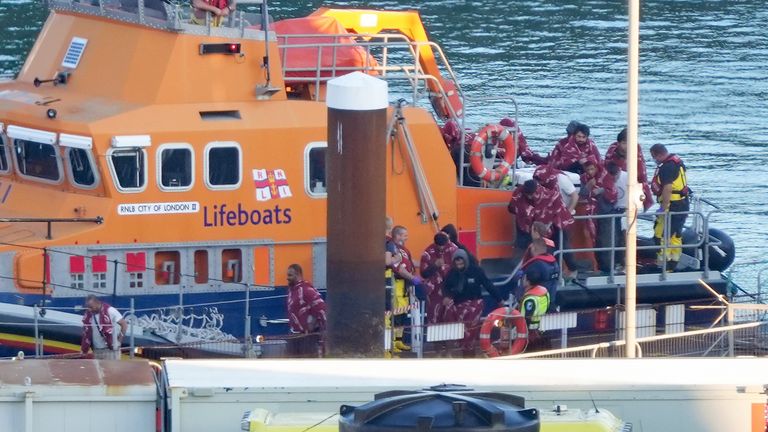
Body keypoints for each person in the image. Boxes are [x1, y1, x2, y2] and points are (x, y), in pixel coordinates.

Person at [442, 249, 503, 357]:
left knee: (470, 318)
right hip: (458, 303)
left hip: (475, 303)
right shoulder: (451, 273)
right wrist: (446, 297)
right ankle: (452, 348)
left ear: (465, 261)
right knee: (449, 313)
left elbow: (488, 285)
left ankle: (469, 350)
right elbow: (445, 287)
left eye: (461, 263)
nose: (459, 265)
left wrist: (499, 299)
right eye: (457, 263)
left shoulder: (476, 271)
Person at [507, 179, 577, 272]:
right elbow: (511, 208)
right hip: (524, 226)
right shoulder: (518, 194)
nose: (529, 196)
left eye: (531, 194)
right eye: (527, 194)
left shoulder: (551, 195)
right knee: (521, 250)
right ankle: (518, 275)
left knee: (559, 248)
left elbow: (560, 212)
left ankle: (567, 271)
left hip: (553, 225)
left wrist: (548, 222)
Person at [650, 144, 690, 271]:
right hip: (682, 204)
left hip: (673, 206)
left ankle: (665, 265)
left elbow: (667, 188)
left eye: (653, 156)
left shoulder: (667, 167)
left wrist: (663, 207)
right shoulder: (677, 162)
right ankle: (673, 263)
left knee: (661, 235)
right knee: (674, 235)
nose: (654, 159)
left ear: (659, 155)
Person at [579, 158, 619, 273]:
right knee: (594, 239)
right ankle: (598, 265)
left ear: (596, 168)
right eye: (588, 170)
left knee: (607, 240)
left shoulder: (605, 176)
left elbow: (613, 194)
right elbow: (582, 194)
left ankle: (608, 266)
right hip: (592, 213)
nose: (590, 172)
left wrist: (601, 190)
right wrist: (588, 187)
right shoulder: (584, 179)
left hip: (606, 212)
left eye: (592, 169)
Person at [605, 127, 654, 210]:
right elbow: (607, 169)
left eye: (630, 143)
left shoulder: (636, 149)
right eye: (624, 143)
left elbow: (641, 171)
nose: (627, 146)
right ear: (619, 143)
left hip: (632, 188)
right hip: (615, 187)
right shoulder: (612, 150)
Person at [391, 225, 422, 351]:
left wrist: (424, 263)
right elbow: (399, 268)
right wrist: (412, 278)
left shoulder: (404, 249)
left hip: (405, 286)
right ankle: (392, 342)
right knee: (396, 314)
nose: (407, 238)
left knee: (403, 314)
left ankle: (399, 341)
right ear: (397, 235)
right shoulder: (392, 247)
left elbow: (410, 262)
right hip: (397, 284)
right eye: (405, 235)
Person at [420, 232, 458, 324]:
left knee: (452, 316)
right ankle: (434, 338)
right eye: (439, 246)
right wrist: (435, 265)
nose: (441, 248)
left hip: (451, 289)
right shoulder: (428, 252)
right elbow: (424, 274)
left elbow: (460, 271)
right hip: (435, 292)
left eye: (443, 245)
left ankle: (451, 338)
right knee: (434, 317)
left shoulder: (453, 249)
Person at [516, 238, 560, 311]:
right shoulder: (555, 263)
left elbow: (526, 285)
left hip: (535, 306)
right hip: (550, 304)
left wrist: (519, 298)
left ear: (534, 248)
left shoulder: (535, 265)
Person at [81, 295, 127, 360]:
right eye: (88, 307)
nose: (89, 309)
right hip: (97, 350)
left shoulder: (110, 311)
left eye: (91, 307)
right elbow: (86, 331)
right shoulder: (89, 315)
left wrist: (119, 341)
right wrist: (84, 348)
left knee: (112, 370)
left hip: (110, 350)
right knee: (98, 370)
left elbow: (124, 324)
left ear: (97, 303)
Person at [286, 264, 327, 334]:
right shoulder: (292, 291)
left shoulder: (306, 290)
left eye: (290, 275)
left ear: (298, 275)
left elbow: (322, 308)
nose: (287, 278)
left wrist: (323, 330)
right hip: (296, 334)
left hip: (307, 336)